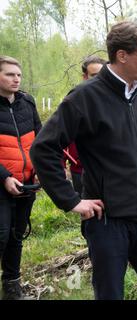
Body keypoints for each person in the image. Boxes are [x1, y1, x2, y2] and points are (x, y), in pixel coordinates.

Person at [30, 21, 137, 300]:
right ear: (122, 55)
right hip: (107, 222)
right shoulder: (85, 98)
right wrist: (72, 200)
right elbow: (44, 148)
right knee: (110, 295)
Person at [0, 56, 42, 299]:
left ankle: (12, 289)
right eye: (9, 74)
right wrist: (5, 177)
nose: (16, 79)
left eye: (18, 75)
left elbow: (40, 138)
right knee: (1, 234)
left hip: (26, 183)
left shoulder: (28, 102)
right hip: (2, 184)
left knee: (16, 235)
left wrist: (41, 170)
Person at [62, 56, 106, 195]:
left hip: (109, 171)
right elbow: (60, 137)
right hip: (80, 169)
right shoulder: (75, 101)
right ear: (85, 77)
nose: (98, 79)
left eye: (102, 74)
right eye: (94, 75)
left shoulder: (114, 100)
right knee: (87, 209)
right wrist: (62, 164)